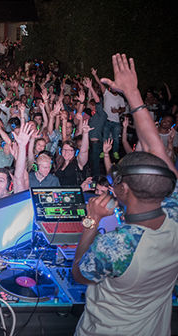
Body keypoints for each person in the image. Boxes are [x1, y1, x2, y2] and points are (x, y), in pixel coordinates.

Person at [72, 54, 178, 336]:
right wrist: (133, 96)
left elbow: (79, 273)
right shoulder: (175, 217)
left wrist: (92, 221)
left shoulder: (118, 245)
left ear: (123, 189)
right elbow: (159, 154)